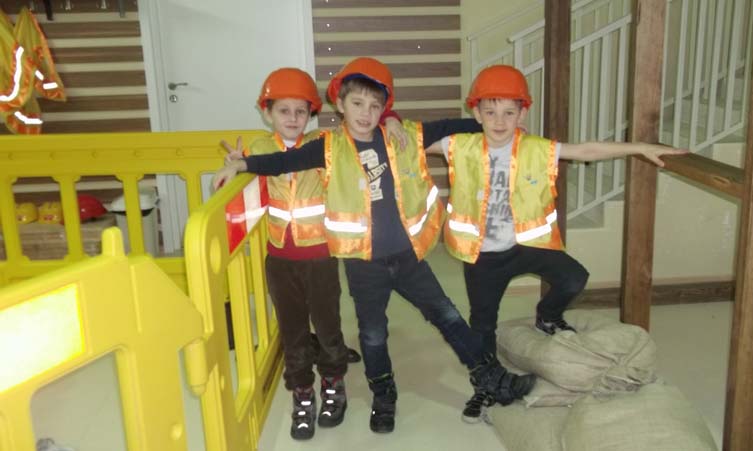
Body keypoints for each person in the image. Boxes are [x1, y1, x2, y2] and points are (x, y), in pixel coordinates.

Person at [213, 57, 536, 434]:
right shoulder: (329, 148)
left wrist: (499, 128)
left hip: (407, 259)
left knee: (448, 316)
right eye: (357, 104)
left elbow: (453, 126)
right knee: (372, 334)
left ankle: (492, 379)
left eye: (374, 106)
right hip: (363, 265)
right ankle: (384, 397)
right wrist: (242, 165)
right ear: (340, 105)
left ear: (384, 109)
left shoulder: (401, 136)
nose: (365, 113)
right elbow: (283, 162)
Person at [426, 64, 688, 422]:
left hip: (525, 246)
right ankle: (485, 387)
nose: (500, 121)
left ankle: (548, 316)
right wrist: (390, 124)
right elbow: (406, 143)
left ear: (522, 114)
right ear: (476, 113)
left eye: (509, 112)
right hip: (482, 257)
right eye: (490, 112)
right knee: (483, 325)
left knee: (574, 277)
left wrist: (639, 148)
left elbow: (585, 150)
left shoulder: (536, 148)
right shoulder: (458, 146)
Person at [216, 67, 363, 441]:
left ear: (311, 114)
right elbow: (244, 178)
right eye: (284, 111)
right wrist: (234, 165)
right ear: (267, 113)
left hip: (320, 257)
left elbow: (359, 139)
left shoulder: (325, 143)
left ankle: (333, 384)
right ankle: (302, 393)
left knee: (327, 327)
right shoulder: (258, 149)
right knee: (293, 331)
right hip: (280, 258)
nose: (293, 119)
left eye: (301, 111)